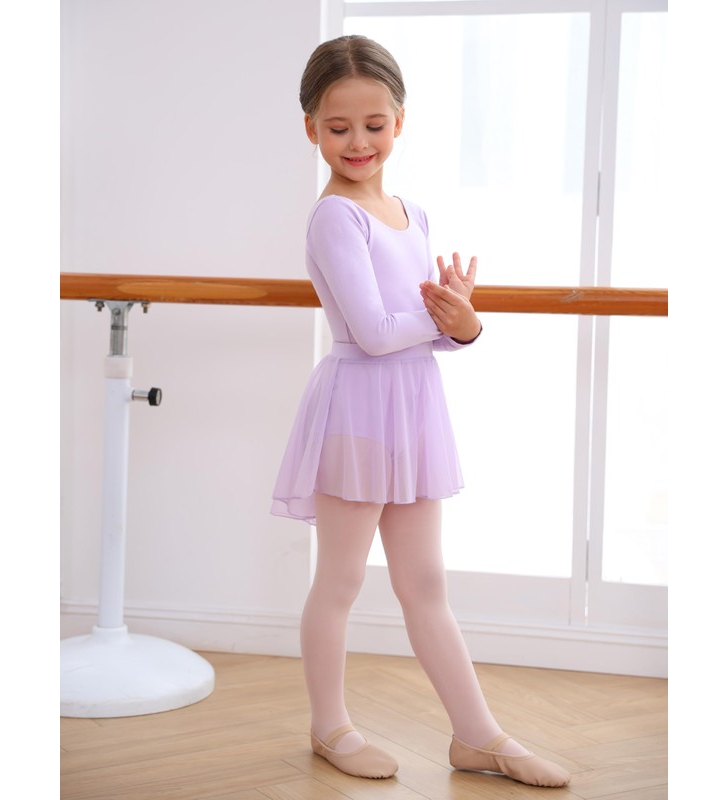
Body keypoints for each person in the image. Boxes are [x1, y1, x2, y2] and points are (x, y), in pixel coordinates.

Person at [271, 35, 570, 788]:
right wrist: (442, 319)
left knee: (426, 585)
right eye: (339, 127)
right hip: (358, 412)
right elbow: (375, 333)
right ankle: (330, 727)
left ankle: (478, 736)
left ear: (399, 122)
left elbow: (433, 332)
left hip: (412, 409)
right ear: (311, 128)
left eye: (374, 124)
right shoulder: (335, 218)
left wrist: (463, 323)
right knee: (340, 581)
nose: (358, 141)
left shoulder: (414, 214)